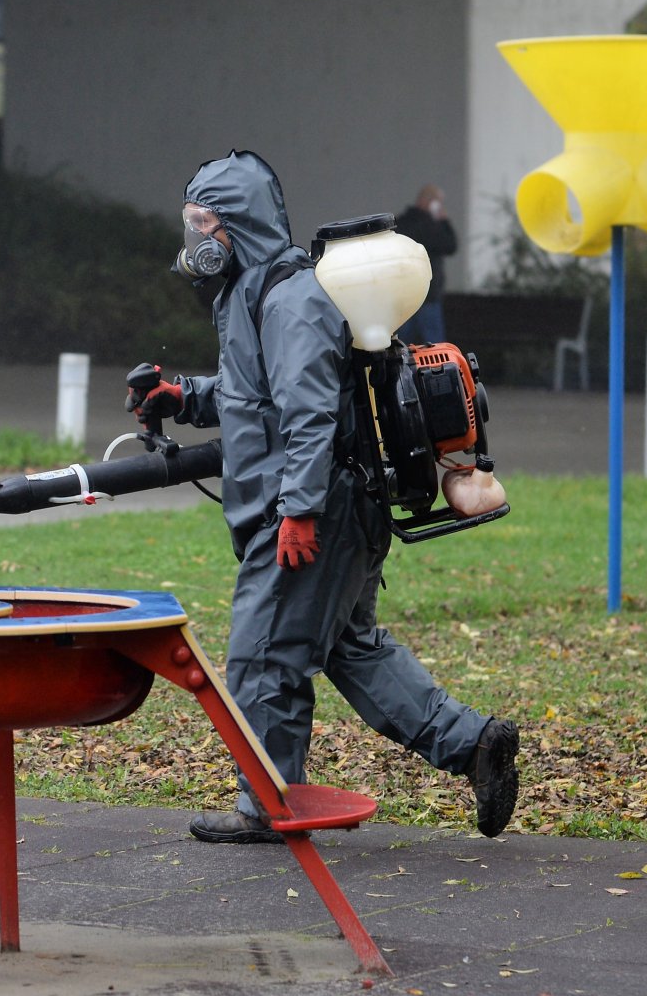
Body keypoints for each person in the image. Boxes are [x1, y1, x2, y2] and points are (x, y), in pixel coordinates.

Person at [128, 150, 519, 845]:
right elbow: (254, 395)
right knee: (350, 648)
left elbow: (309, 416)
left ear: (237, 223)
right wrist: (182, 396)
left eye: (203, 223)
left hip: (318, 512)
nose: (195, 240)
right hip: (327, 507)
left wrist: (299, 512)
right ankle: (475, 745)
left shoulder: (291, 299)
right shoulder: (253, 293)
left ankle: (267, 806)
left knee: (261, 657)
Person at [393, 184, 457, 345]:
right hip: (429, 295)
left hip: (405, 294)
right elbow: (450, 245)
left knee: (402, 343)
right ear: (427, 202)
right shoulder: (429, 226)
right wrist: (444, 221)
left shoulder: (402, 223)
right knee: (434, 344)